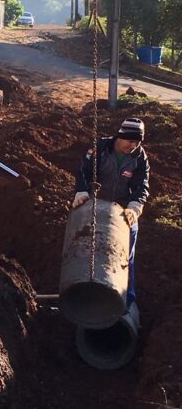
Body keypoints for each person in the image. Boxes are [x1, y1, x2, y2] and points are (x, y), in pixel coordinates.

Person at [72, 117, 150, 306]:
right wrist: (81, 191)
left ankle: (125, 301)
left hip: (122, 210)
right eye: (130, 141)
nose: (133, 145)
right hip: (95, 204)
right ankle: (81, 294)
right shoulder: (101, 148)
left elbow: (142, 185)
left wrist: (134, 207)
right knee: (86, 247)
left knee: (126, 253)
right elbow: (83, 170)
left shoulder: (139, 157)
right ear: (120, 137)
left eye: (137, 142)